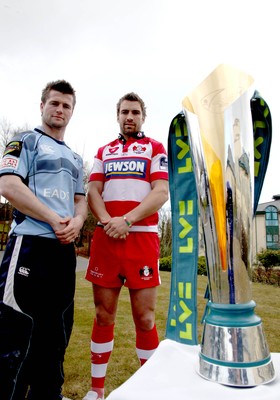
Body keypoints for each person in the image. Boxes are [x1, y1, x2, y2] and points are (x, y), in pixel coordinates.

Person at [0, 80, 88, 400]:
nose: (59, 110)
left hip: (62, 252)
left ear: (72, 112)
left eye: (66, 105)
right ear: (42, 106)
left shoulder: (76, 158)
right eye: (54, 103)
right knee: (16, 332)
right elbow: (9, 186)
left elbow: (81, 199)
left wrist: (77, 221)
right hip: (30, 245)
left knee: (56, 334)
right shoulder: (24, 140)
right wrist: (53, 219)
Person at [83, 92, 169, 400]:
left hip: (141, 238)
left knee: (145, 318)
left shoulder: (155, 148)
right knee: (103, 314)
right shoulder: (103, 151)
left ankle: (151, 390)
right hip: (108, 239)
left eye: (135, 112)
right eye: (124, 112)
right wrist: (108, 221)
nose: (129, 116)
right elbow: (93, 189)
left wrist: (127, 220)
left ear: (143, 117)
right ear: (117, 116)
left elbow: (161, 192)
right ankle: (97, 389)